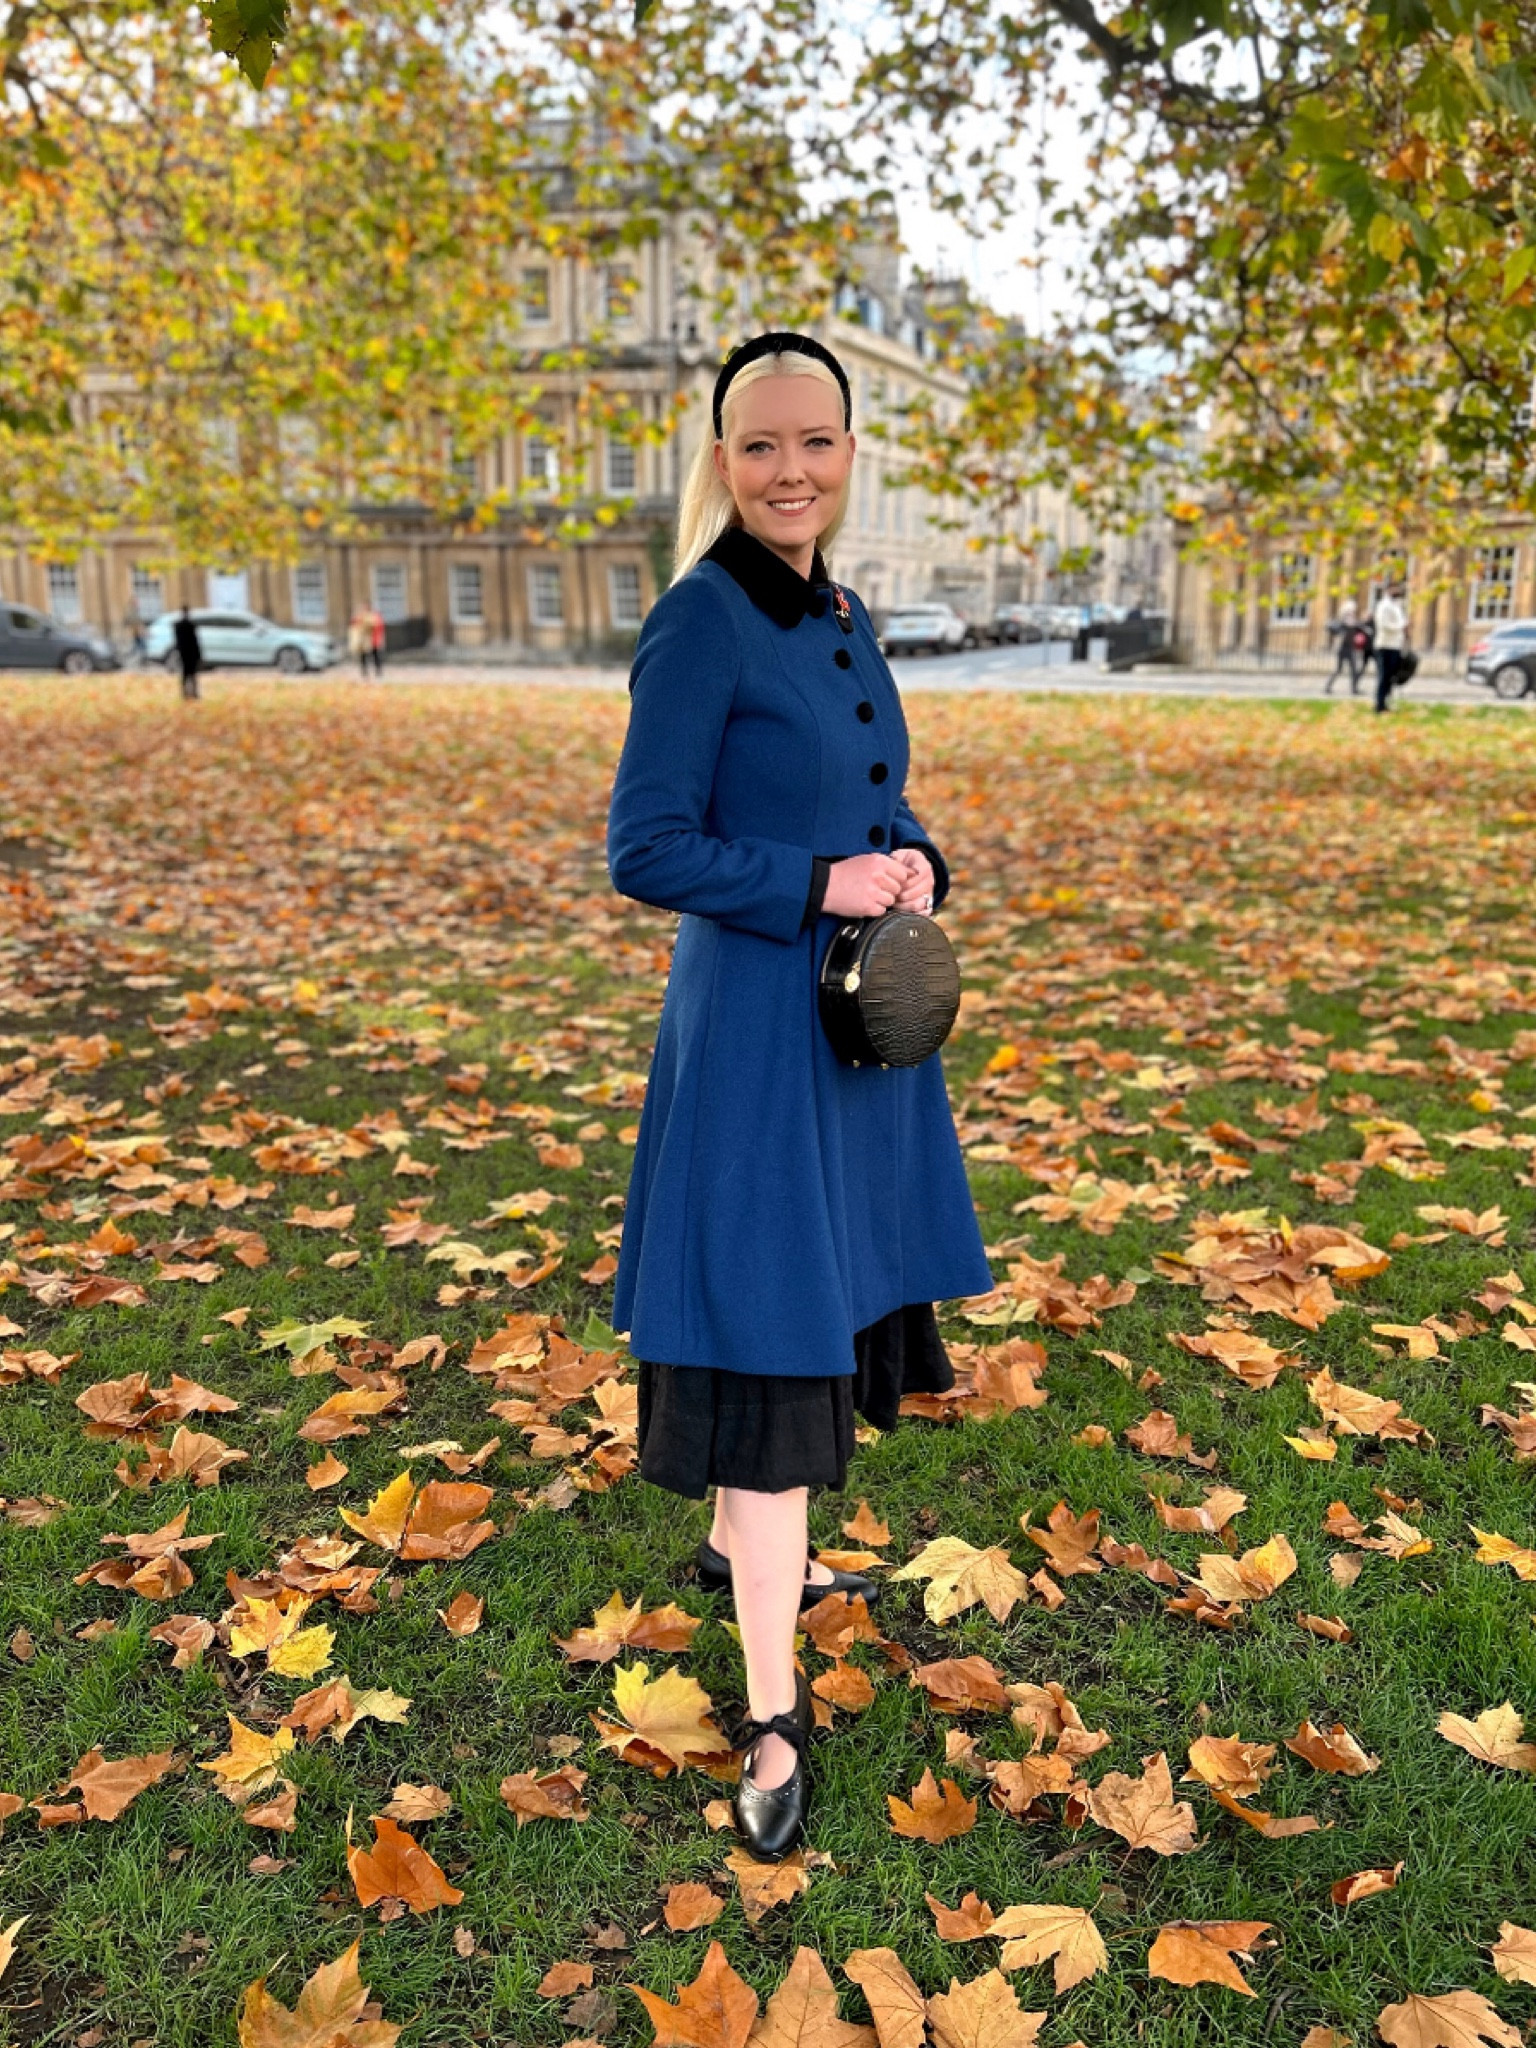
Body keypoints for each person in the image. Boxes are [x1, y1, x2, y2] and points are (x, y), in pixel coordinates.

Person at [606, 332, 993, 1862]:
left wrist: (909, 858)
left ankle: (729, 1544)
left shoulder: (839, 606)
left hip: (853, 1035)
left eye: (816, 442)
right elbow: (648, 848)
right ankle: (771, 1710)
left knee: (817, 1304)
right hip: (760, 1039)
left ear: (847, 453)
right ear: (721, 460)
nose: (791, 469)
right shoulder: (700, 623)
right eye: (760, 445)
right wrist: (815, 879)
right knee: (774, 1338)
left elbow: (874, 790)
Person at [1372, 581, 1409, 713]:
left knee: (1391, 677)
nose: (1398, 591)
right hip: (1384, 645)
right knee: (1384, 676)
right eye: (1395, 589)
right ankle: (1379, 704)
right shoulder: (1383, 606)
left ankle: (1385, 702)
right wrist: (1401, 627)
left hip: (1395, 645)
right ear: (1389, 589)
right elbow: (1384, 625)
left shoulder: (1396, 606)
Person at [1324, 598, 1363, 696]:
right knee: (1338, 669)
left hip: (1351, 648)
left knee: (1354, 669)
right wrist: (1342, 632)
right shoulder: (1342, 621)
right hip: (1342, 648)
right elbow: (1332, 627)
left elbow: (1359, 627)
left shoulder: (1353, 620)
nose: (1352, 612)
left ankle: (1354, 689)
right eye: (1351, 610)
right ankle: (1328, 686)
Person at [172, 605, 202, 701]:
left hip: (183, 652)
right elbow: (195, 641)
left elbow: (177, 641)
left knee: (185, 673)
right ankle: (194, 692)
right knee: (192, 673)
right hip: (191, 652)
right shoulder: (191, 625)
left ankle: (185, 693)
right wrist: (198, 654)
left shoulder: (178, 625)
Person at [347, 608, 372, 680]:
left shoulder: (365, 623)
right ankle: (364, 672)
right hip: (361, 645)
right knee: (363, 659)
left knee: (367, 657)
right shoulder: (356, 627)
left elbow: (369, 628)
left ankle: (367, 671)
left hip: (365, 644)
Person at [368, 605, 387, 679]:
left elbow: (380, 628)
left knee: (376, 656)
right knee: (371, 656)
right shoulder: (365, 617)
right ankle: (373, 670)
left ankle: (378, 670)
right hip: (369, 641)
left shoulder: (376, 618)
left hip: (375, 640)